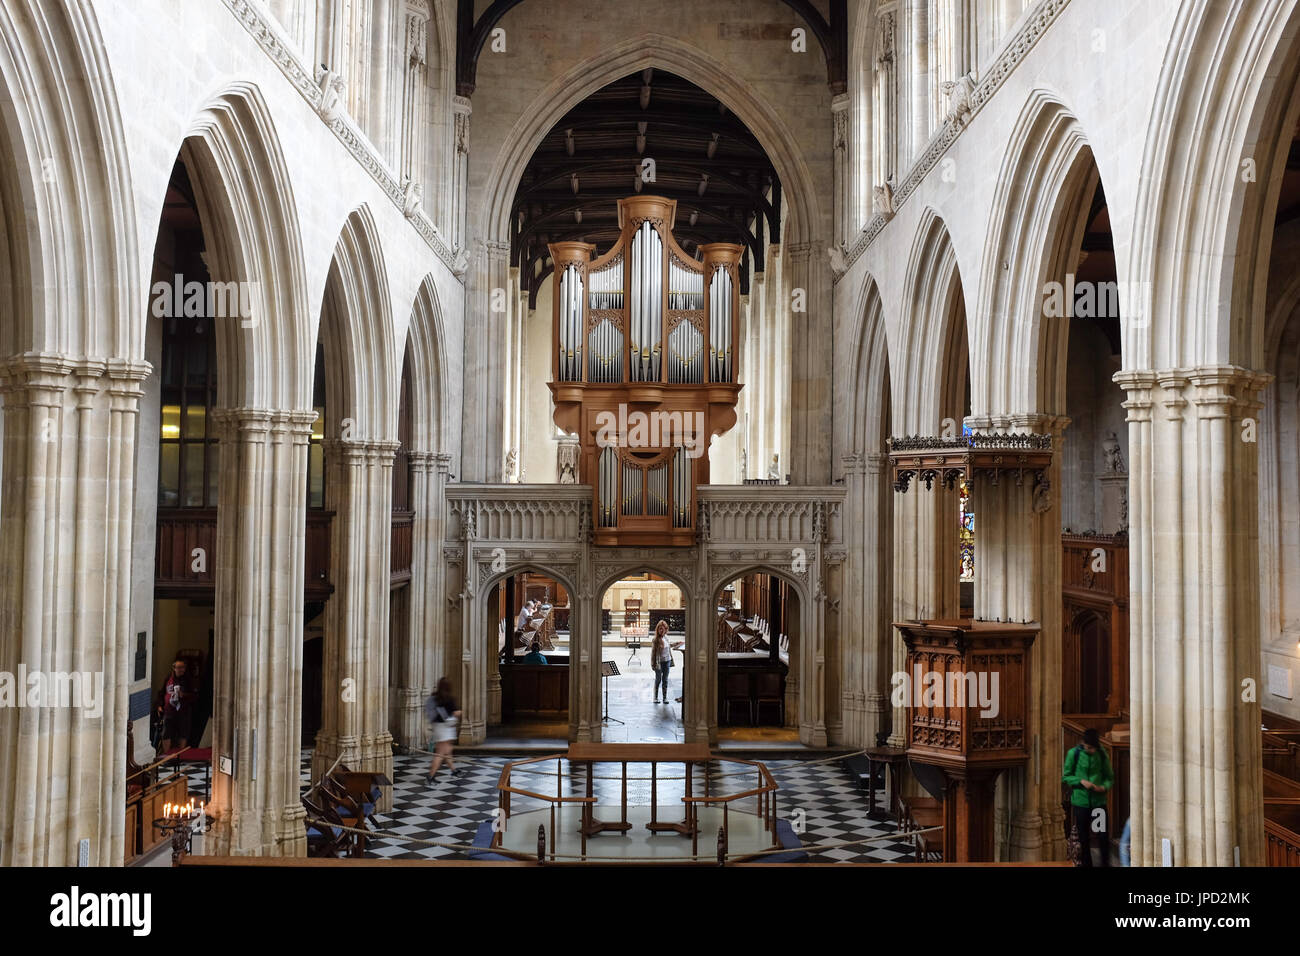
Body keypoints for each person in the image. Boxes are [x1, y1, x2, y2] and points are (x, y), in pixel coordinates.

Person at [1062, 727, 1114, 866]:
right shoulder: (1074, 754)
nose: (1091, 751)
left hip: (1098, 803)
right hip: (1081, 803)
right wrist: (1081, 781)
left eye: (1093, 748)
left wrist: (1104, 786)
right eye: (1089, 748)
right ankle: (1087, 865)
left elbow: (1109, 777)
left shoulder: (1102, 754)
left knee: (1103, 835)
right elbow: (1066, 776)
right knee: (1084, 838)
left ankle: (1105, 864)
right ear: (1083, 744)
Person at [424, 677, 463, 788]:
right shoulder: (448, 698)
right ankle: (430, 777)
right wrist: (460, 712)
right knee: (440, 754)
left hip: (438, 727)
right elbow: (455, 712)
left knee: (447, 750)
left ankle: (453, 770)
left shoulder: (434, 697)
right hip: (445, 728)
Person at [157, 657, 196, 753]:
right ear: (174, 668)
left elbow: (194, 696)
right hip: (169, 712)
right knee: (166, 733)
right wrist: (159, 705)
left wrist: (183, 695)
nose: (181, 669)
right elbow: (162, 693)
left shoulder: (188, 680)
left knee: (183, 734)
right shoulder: (168, 678)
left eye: (183, 667)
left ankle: (180, 755)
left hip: (183, 712)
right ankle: (166, 755)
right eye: (178, 667)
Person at [651, 621, 673, 703]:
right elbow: (653, 653)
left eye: (663, 629)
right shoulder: (655, 640)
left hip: (667, 661)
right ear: (657, 630)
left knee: (665, 680)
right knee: (658, 680)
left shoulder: (666, 638)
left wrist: (677, 644)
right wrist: (653, 664)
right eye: (660, 629)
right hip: (659, 662)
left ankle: (665, 698)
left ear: (665, 630)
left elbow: (669, 647)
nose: (661, 631)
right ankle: (655, 698)